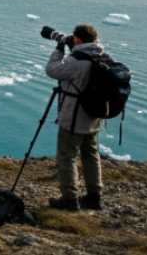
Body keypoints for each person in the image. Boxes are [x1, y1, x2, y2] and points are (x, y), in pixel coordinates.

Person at [45, 23, 105, 211]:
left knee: (67, 156)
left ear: (77, 39)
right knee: (91, 154)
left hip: (74, 117)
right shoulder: (101, 56)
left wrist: (59, 47)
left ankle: (70, 199)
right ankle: (95, 196)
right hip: (94, 116)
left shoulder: (76, 62)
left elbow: (52, 70)